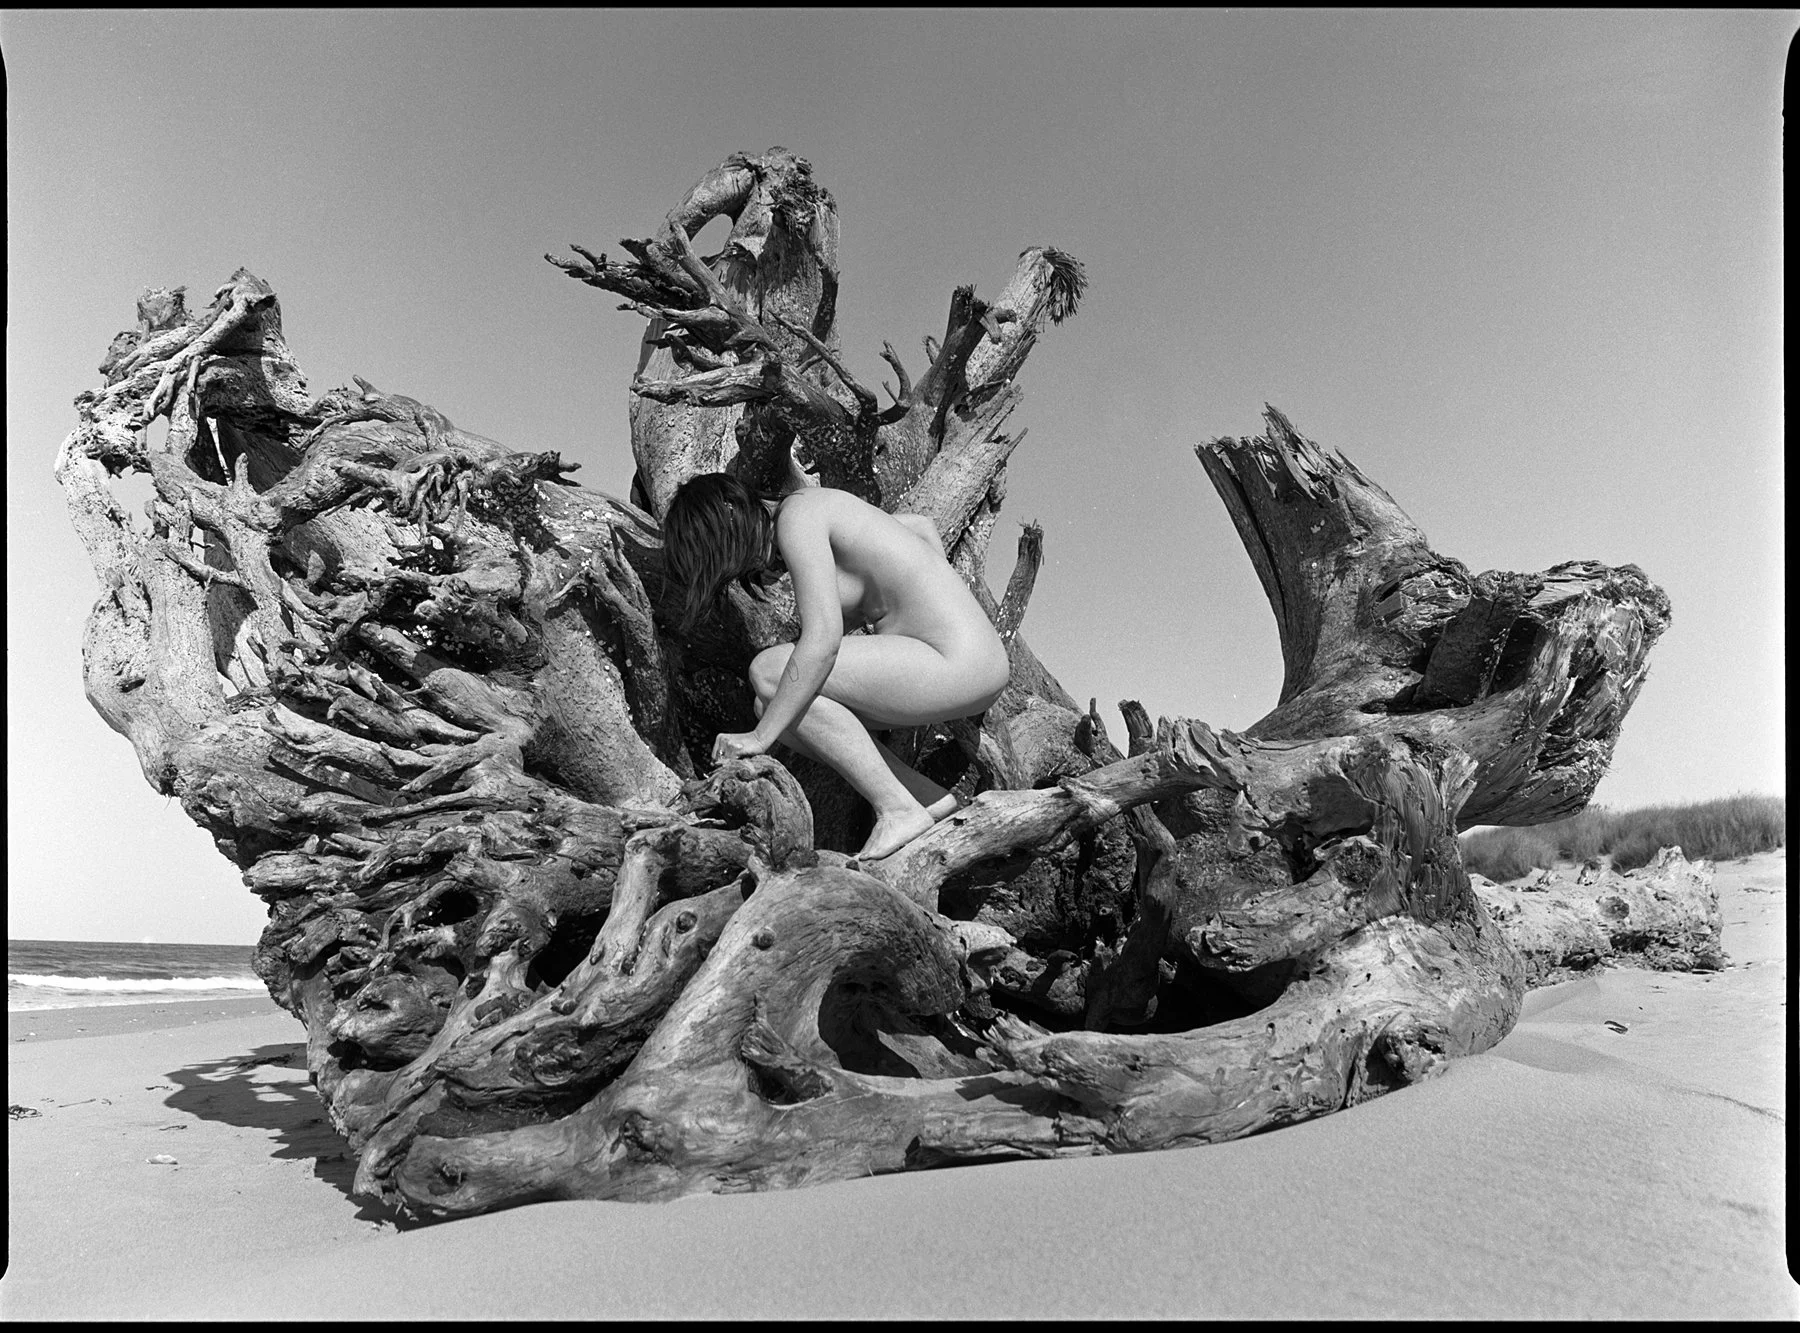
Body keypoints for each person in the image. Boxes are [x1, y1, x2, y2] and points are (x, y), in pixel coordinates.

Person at [662, 469, 1011, 860]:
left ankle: (896, 808)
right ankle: (925, 798)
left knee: (768, 672)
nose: (752, 573)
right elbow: (921, 527)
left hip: (956, 661)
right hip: (967, 661)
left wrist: (759, 738)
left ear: (732, 516)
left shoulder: (797, 515)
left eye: (731, 558)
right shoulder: (826, 511)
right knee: (773, 704)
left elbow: (823, 641)